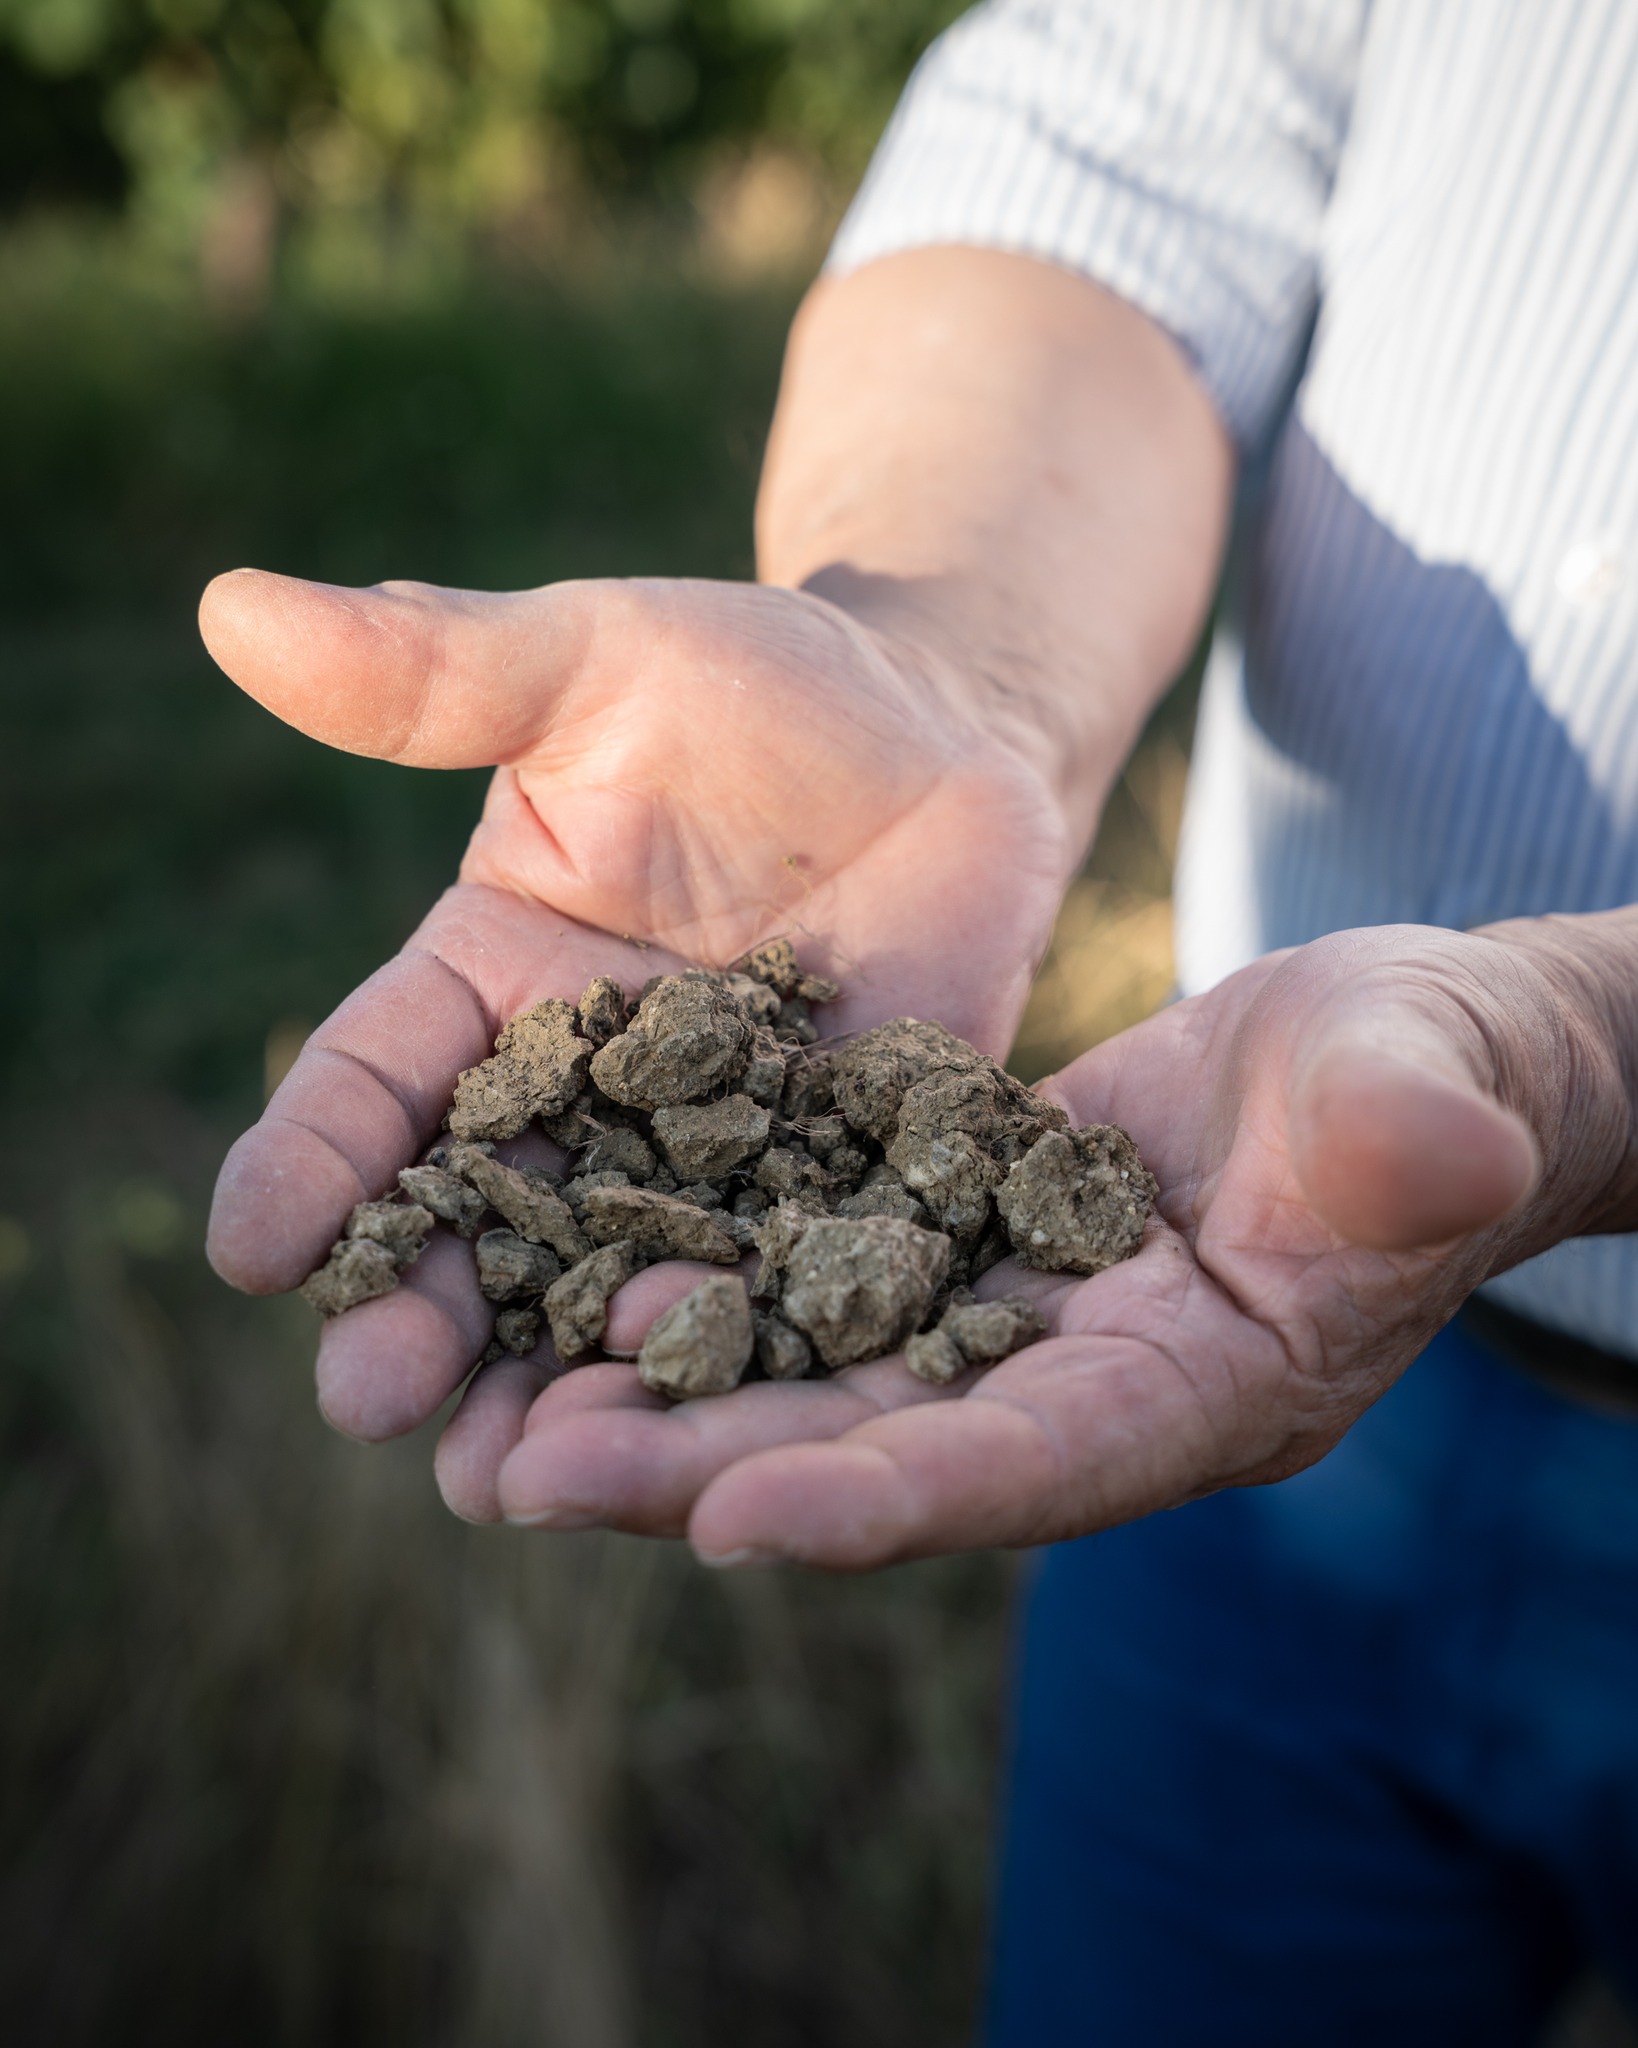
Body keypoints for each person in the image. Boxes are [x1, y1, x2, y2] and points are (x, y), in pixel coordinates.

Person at [203, 1, 1638, 2038]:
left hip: (1235, 1259)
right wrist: (950, 658)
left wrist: (1596, 1048)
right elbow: (1122, 148)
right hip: (1235, 1331)